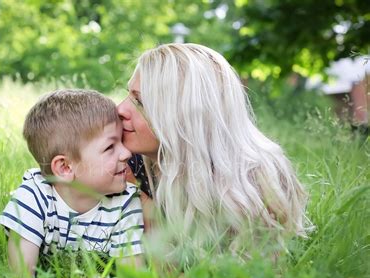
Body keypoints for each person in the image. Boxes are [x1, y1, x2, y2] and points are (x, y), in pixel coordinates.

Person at [118, 43, 308, 257]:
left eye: (140, 101)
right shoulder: (125, 165)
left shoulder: (256, 182)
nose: (120, 109)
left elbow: (255, 276)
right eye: (129, 96)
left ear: (186, 115)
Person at [0, 89, 144, 277]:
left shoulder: (126, 203)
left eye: (121, 142)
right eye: (110, 147)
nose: (127, 154)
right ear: (65, 167)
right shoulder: (33, 197)